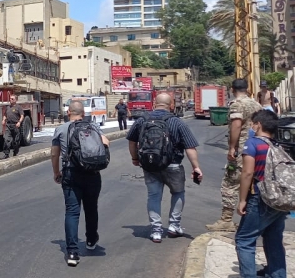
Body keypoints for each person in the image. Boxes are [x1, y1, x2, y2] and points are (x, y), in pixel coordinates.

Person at [223, 110, 289, 278]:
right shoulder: (277, 145)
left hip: (259, 198)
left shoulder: (253, 144)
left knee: (244, 239)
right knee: (273, 239)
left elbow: (248, 173)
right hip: (279, 200)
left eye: (253, 124)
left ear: (258, 125)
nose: (252, 127)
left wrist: (242, 200)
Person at [128, 93, 202, 242]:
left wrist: (135, 158)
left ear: (154, 104)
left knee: (154, 196)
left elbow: (131, 140)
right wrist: (196, 167)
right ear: (172, 105)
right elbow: (190, 147)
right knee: (178, 193)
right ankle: (174, 226)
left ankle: (156, 231)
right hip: (173, 165)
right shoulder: (177, 122)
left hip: (150, 165)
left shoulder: (142, 120)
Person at [51, 101, 110, 266]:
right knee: (91, 208)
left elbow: (55, 154)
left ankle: (72, 252)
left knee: (72, 212)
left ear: (68, 112)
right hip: (92, 174)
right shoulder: (93, 127)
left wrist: (56, 172)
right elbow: (106, 142)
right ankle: (91, 240)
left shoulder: (61, 129)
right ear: (83, 113)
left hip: (71, 174)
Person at [208, 79, 262, 231]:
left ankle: (226, 220)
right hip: (256, 148)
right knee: (251, 184)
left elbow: (236, 125)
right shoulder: (256, 104)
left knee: (230, 183)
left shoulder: (237, 104)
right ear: (247, 89)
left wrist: (232, 147)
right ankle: (252, 220)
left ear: (232, 89)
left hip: (242, 150)